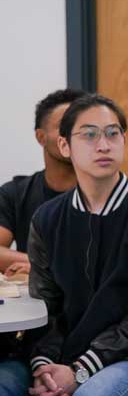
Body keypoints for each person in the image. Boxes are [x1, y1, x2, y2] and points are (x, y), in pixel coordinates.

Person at [0, 94, 128, 396]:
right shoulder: (48, 219)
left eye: (113, 133)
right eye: (89, 134)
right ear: (64, 146)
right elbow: (47, 308)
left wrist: (80, 370)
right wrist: (43, 365)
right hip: (58, 357)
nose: (103, 144)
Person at [0, 89, 85, 277]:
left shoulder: (108, 193)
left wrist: (43, 268)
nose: (74, 135)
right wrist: (40, 265)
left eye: (83, 128)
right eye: (65, 126)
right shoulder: (15, 193)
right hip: (34, 303)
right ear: (41, 137)